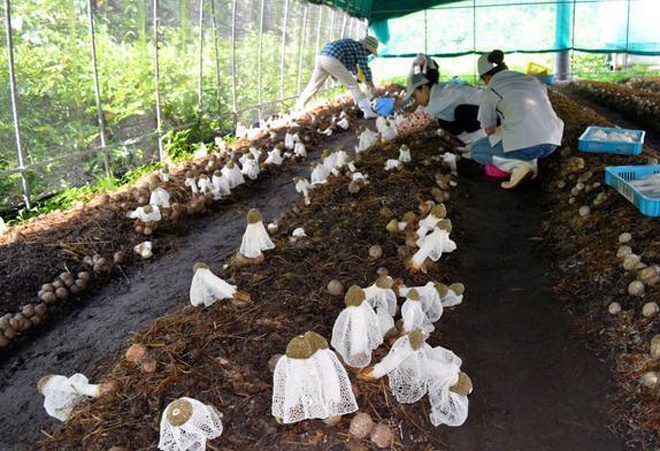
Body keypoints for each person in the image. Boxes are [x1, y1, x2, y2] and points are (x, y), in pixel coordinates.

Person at [471, 50, 564, 189]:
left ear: (486, 77)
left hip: (528, 145)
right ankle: (531, 164)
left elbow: (489, 130)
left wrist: (500, 130)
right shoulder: (531, 79)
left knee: (477, 150)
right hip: (553, 141)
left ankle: (518, 166)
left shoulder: (490, 90)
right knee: (521, 134)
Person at [295, 36, 379, 118]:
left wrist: (364, 82)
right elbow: (364, 68)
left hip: (321, 57)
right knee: (353, 85)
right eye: (370, 52)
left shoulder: (352, 45)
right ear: (367, 48)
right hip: (331, 58)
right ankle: (367, 111)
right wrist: (372, 86)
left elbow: (354, 70)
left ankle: (299, 107)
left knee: (313, 84)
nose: (369, 54)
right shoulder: (361, 49)